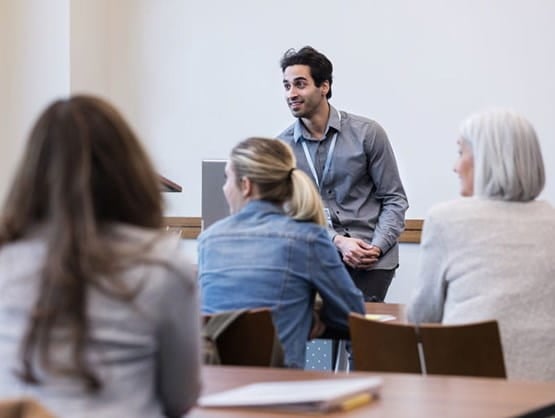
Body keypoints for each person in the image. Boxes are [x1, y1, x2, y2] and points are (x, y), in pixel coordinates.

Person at [0, 96, 202, 416]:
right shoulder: (163, 268)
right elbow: (181, 397)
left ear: (30, 174)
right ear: (129, 171)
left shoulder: (6, 261)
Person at [407, 109, 555, 381]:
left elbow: (422, 318)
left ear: (486, 159)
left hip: (470, 392)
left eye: (461, 152)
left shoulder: (446, 219)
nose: (455, 166)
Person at [197, 137, 365, 369]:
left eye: (228, 179)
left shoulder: (208, 239)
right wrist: (306, 316)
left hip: (212, 385)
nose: (225, 188)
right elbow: (353, 317)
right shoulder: (309, 238)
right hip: (279, 387)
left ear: (246, 186)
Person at [277, 46, 409, 302]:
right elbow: (289, 213)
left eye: (300, 84)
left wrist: (377, 247)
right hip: (316, 258)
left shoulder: (368, 133)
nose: (291, 93)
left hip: (373, 261)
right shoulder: (282, 149)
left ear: (324, 86)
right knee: (314, 336)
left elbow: (394, 198)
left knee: (361, 338)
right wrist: (337, 241)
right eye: (286, 86)